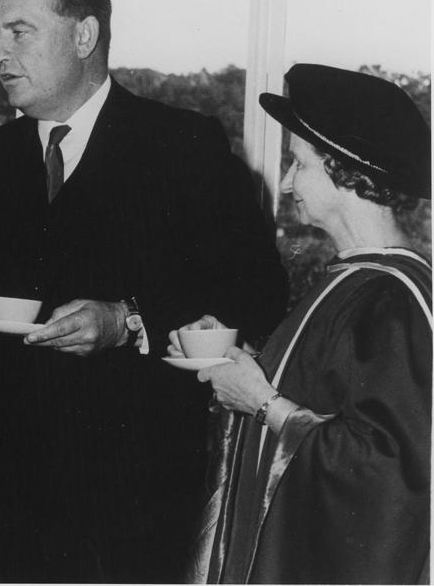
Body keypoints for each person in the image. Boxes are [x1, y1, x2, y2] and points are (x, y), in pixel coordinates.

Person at [0, 0, 289, 583]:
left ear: (84, 36)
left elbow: (257, 291)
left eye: (18, 32)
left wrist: (129, 319)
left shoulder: (184, 148)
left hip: (130, 510)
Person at [172, 64, 431, 583]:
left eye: (298, 163)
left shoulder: (389, 297)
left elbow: (393, 476)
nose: (287, 182)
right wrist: (242, 364)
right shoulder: (358, 279)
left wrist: (263, 403)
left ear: (345, 171)